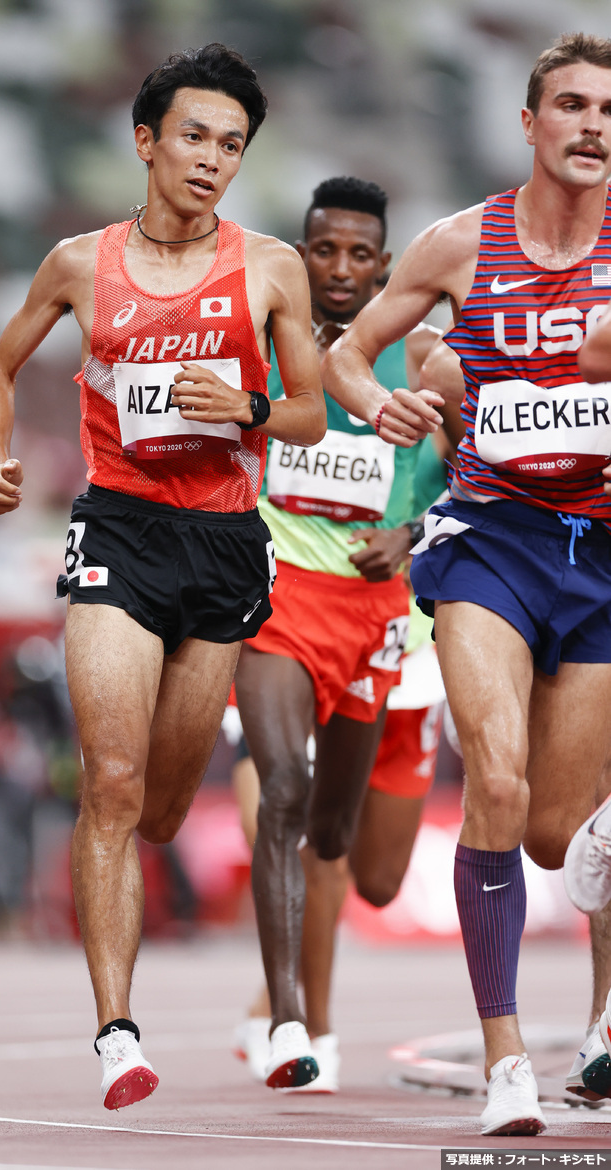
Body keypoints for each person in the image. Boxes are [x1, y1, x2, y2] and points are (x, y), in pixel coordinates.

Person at [0, 42, 325, 1110]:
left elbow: (310, 411)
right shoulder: (82, 263)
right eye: (194, 137)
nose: (213, 159)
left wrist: (252, 411)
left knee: (165, 805)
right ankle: (117, 1032)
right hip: (117, 528)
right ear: (146, 142)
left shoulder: (270, 267)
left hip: (222, 545)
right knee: (112, 783)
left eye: (232, 143)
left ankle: (144, 855)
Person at [322, 32, 611, 1137]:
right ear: (530, 123)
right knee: (491, 782)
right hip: (490, 539)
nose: (592, 126)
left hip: (602, 554)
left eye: (609, 110)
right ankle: (504, 1062)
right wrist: (375, 397)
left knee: (551, 835)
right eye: (572, 106)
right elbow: (354, 351)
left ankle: (596, 1026)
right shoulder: (458, 244)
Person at [234, 175, 443, 1090]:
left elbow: (481, 479)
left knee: (366, 869)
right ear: (302, 251)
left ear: (388, 266)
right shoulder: (265, 344)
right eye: (326, 250)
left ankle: (288, 1006)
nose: (343, 269)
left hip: (397, 635)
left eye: (363, 254)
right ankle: (293, 1024)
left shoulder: (427, 358)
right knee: (283, 789)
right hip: (284, 604)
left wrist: (412, 533)